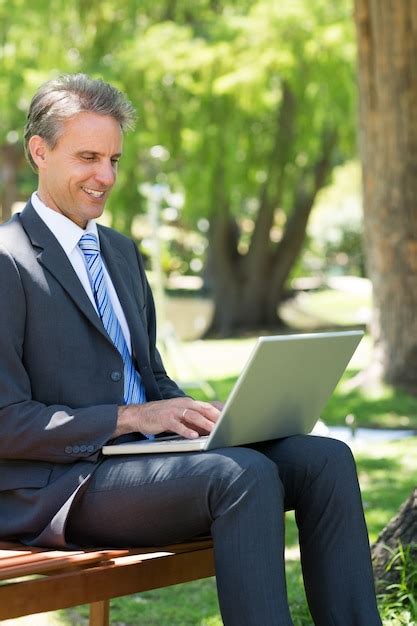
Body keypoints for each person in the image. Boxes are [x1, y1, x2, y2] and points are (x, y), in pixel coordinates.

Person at [0, 73, 381, 626]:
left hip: (143, 461)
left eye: (114, 160)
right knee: (240, 475)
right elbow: (7, 421)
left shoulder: (119, 252)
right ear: (39, 151)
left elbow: (148, 376)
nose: (105, 176)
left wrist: (199, 418)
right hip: (60, 486)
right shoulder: (8, 261)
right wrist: (132, 417)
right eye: (88, 156)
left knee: (325, 459)